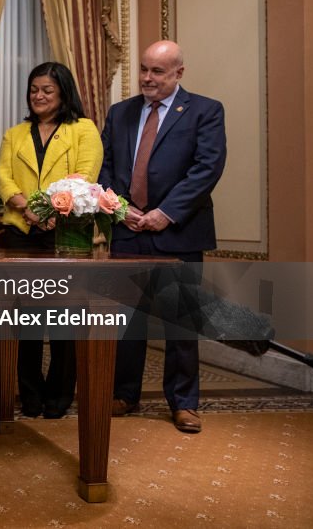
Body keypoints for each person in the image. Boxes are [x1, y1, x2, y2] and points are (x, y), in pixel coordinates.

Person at [99, 40, 226, 433]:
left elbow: (207, 168)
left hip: (180, 232)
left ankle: (183, 403)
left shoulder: (205, 110)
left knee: (181, 325)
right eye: (143, 69)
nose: (146, 78)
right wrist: (121, 209)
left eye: (157, 71)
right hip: (128, 231)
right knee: (127, 321)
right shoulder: (121, 112)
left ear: (179, 74)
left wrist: (164, 214)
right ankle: (124, 394)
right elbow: (107, 168)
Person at [0, 61, 102, 419]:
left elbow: (84, 178)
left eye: (47, 90)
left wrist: (51, 210)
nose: (38, 96)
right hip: (21, 234)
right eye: (34, 89)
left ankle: (59, 396)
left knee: (64, 322)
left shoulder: (84, 130)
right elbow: (4, 178)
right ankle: (30, 395)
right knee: (25, 322)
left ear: (63, 93)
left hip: (67, 234)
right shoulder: (15, 133)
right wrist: (28, 207)